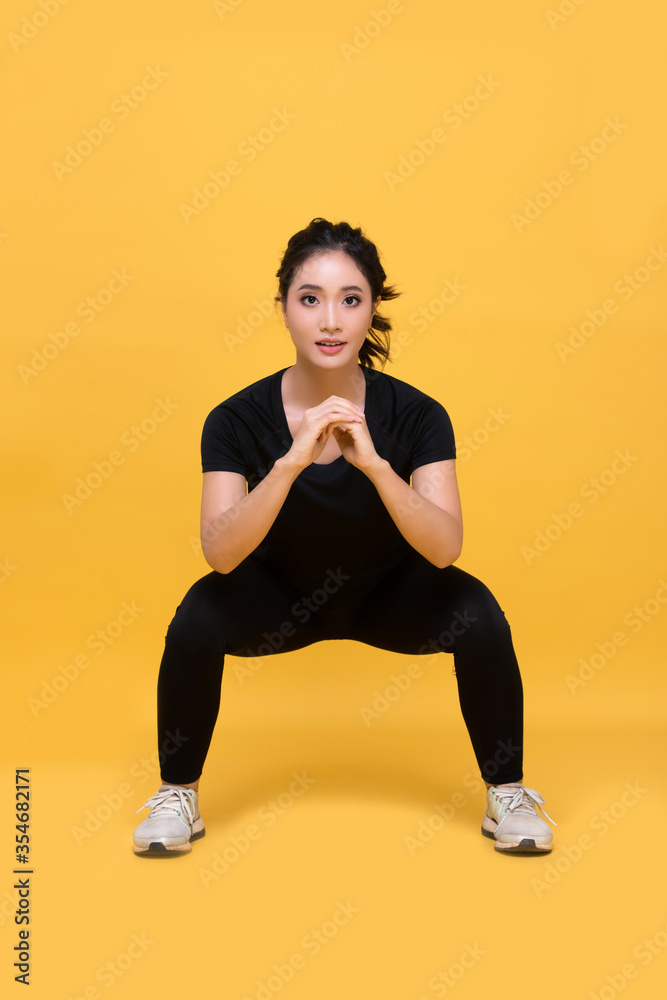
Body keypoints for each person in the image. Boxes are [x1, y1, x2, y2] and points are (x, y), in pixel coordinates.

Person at [133, 217, 557, 858]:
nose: (330, 320)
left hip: (386, 595)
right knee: (198, 612)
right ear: (284, 310)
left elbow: (445, 549)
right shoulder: (234, 418)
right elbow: (220, 554)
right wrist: (291, 461)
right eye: (310, 299)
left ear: (370, 311)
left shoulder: (417, 414)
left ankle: (510, 794)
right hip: (278, 601)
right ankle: (176, 795)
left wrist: (375, 465)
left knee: (479, 611)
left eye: (350, 300)